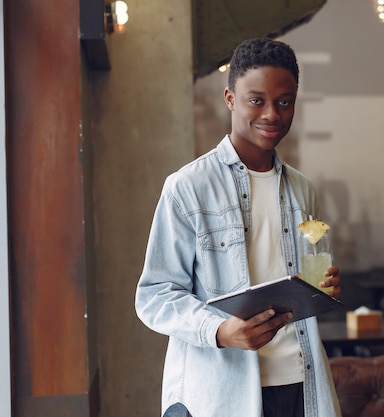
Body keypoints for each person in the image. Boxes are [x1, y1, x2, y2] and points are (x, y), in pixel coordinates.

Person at [135, 37, 343, 417]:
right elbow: (155, 295)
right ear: (230, 98)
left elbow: (304, 279)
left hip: (301, 384)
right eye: (256, 100)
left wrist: (321, 289)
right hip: (221, 394)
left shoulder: (303, 190)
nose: (272, 114)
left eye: (284, 101)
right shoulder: (187, 188)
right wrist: (219, 331)